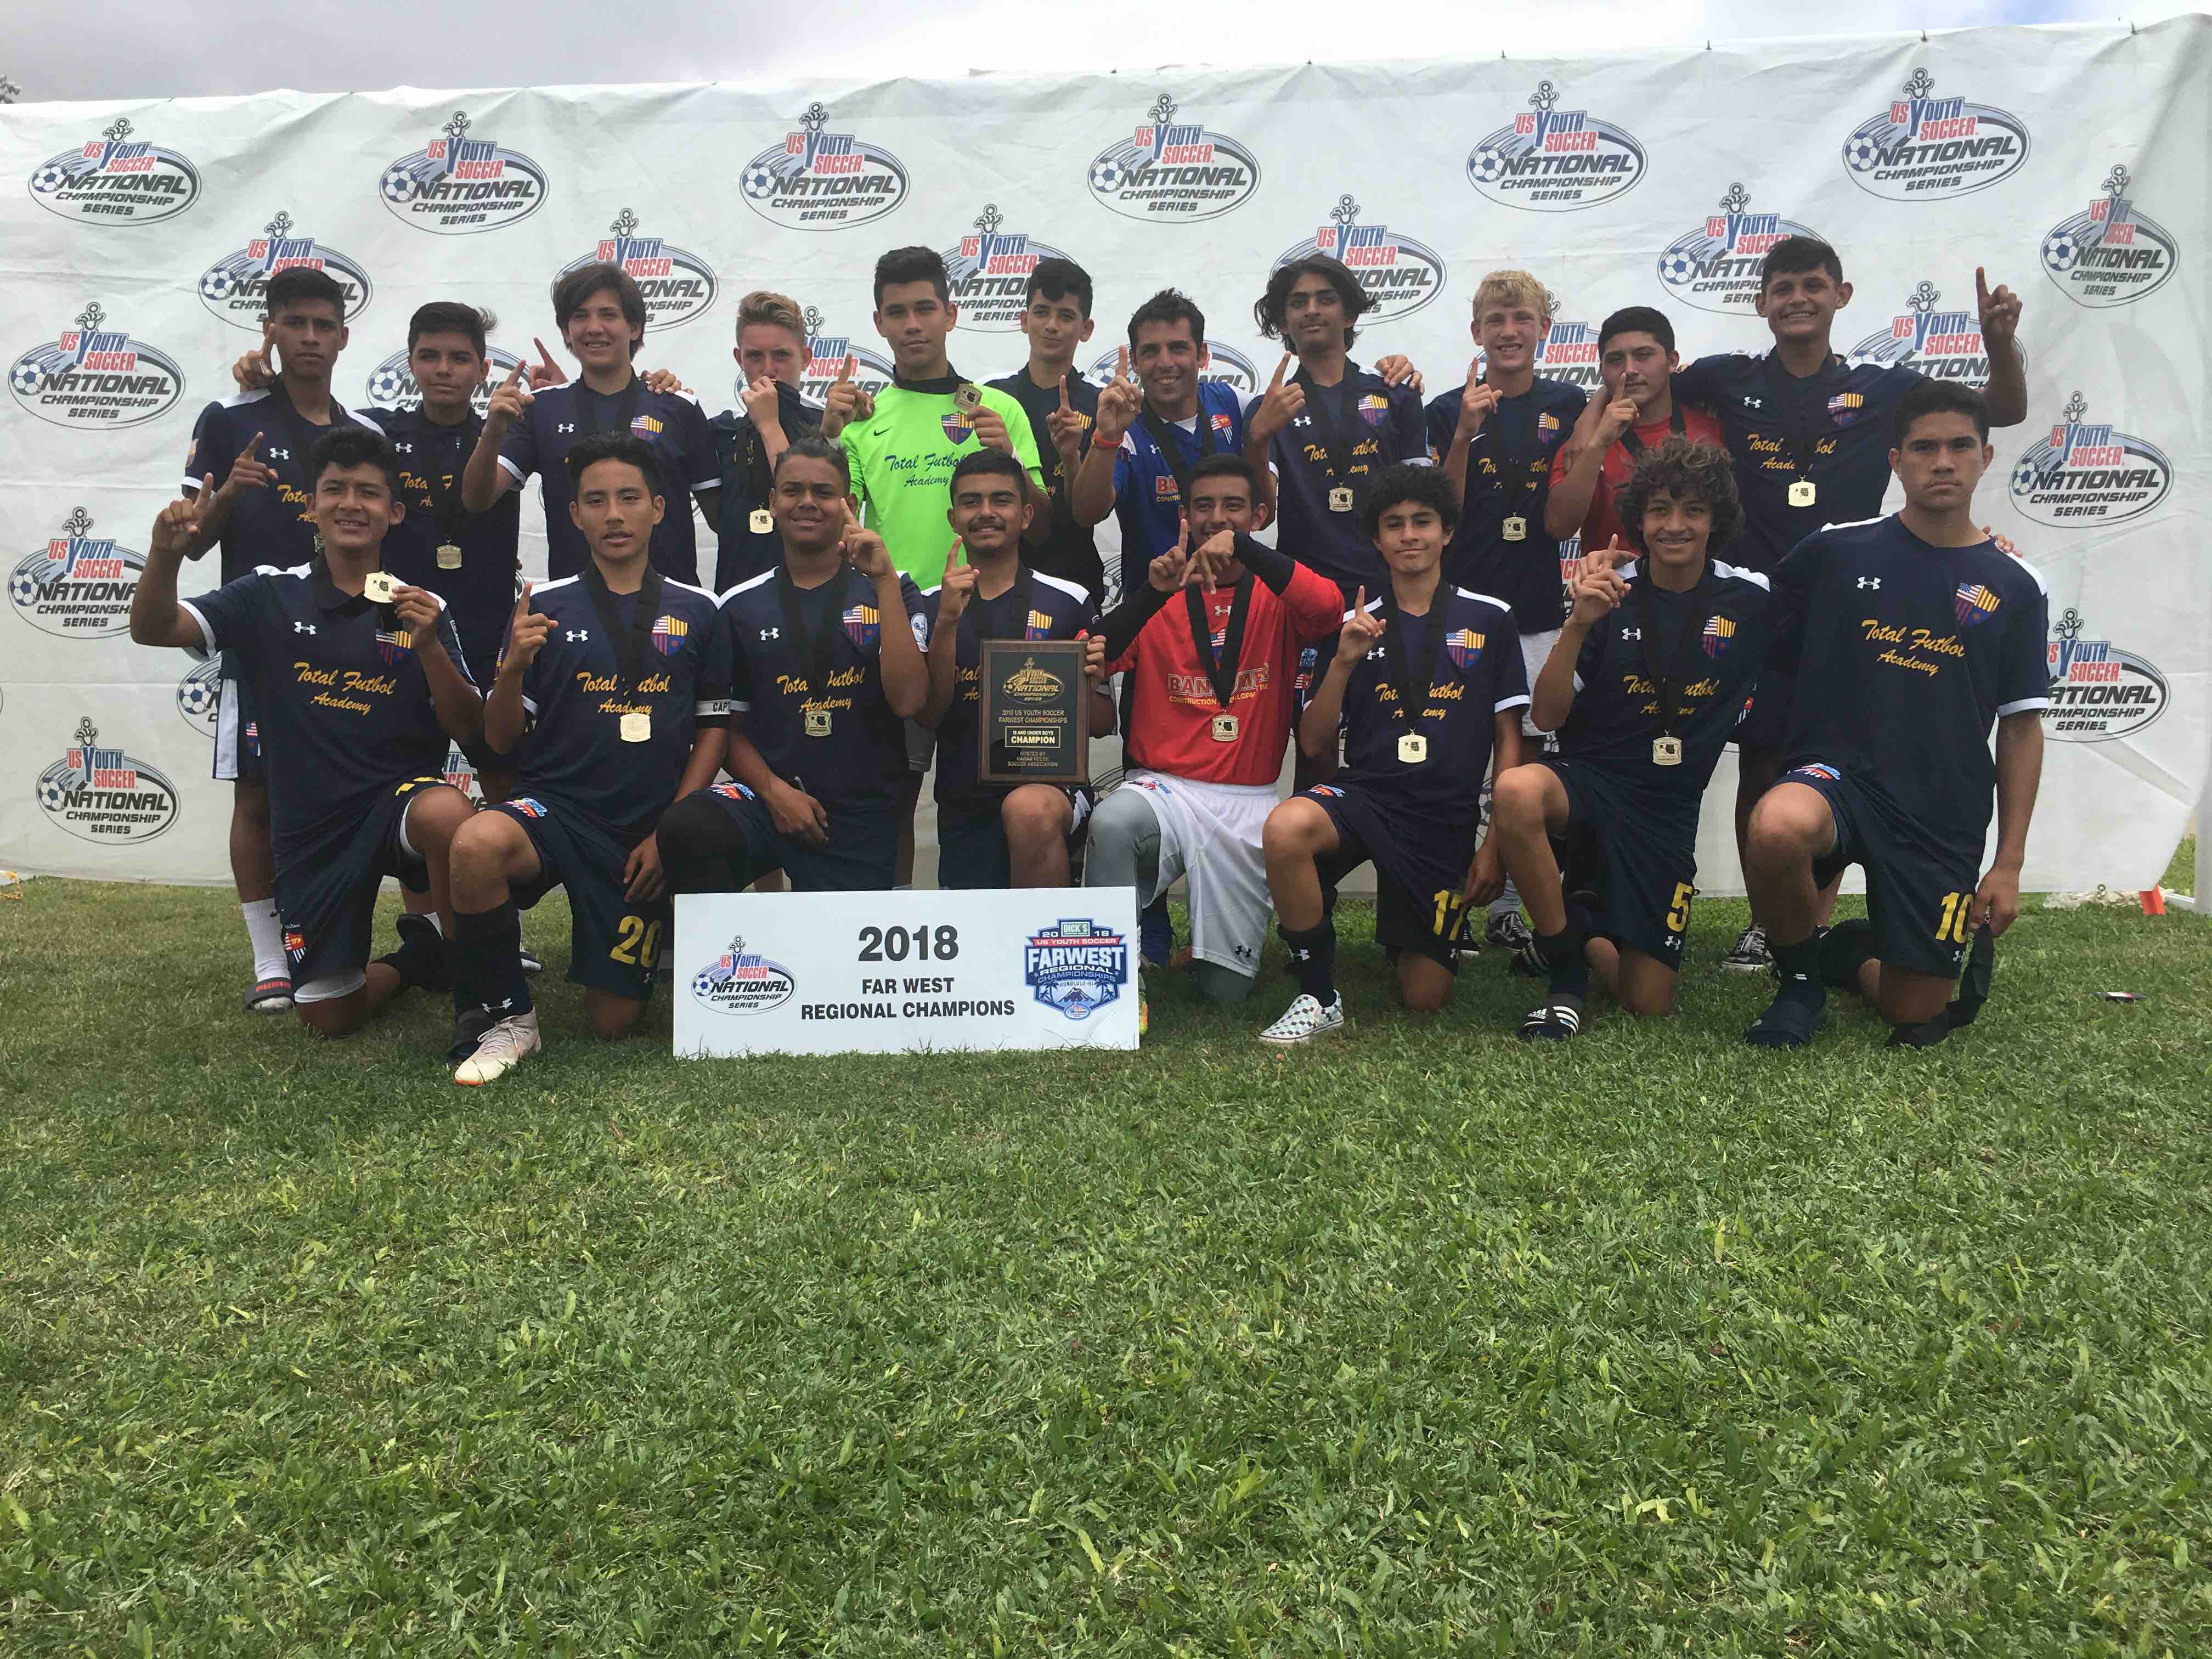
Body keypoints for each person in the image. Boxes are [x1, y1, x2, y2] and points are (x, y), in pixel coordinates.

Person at [1669, 236, 2027, 972]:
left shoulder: (1885, 387)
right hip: (1765, 606)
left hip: (1863, 608)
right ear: (1761, 304)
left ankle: (1826, 920)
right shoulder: (1725, 379)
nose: (1797, 299)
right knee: (1764, 760)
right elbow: (1642, 389)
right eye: (1782, 288)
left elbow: (2002, 409)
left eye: (1812, 285)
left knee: (1848, 758)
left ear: (1842, 295)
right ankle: (1769, 924)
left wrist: (1999, 345)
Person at [131, 427, 480, 1036]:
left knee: (447, 813)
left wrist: (428, 648)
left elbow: (470, 729)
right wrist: (165, 555)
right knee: (328, 1015)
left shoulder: (422, 606)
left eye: (369, 492)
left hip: (397, 812)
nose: (351, 504)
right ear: (312, 505)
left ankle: (480, 994)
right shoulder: (267, 592)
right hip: (314, 834)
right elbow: (154, 629)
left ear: (394, 513)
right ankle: (418, 958)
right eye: (335, 490)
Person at [1742, 381, 2045, 1051]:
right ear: (1896, 461)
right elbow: (1743, 605)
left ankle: (1845, 955)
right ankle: (1799, 986)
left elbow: (2022, 726)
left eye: (1960, 446)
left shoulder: (2016, 584)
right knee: (1777, 826)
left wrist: (2009, 864)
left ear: (1986, 458)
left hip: (1939, 809)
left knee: (1915, 1014)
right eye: (1924, 448)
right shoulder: (1836, 549)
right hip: (1838, 778)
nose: (1943, 462)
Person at [444, 434, 732, 1085]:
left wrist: (669, 831)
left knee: (613, 1023)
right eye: (596, 501)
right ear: (574, 515)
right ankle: (510, 1019)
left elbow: (714, 729)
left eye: (629, 498)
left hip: (641, 833)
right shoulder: (542, 606)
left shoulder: (700, 610)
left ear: (659, 508)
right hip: (557, 812)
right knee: (475, 844)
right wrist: (512, 669)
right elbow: (500, 738)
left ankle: (644, 944)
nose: (614, 515)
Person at [1495, 437, 1770, 1039]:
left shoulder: (1752, 598)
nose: (1675, 525)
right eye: (1660, 510)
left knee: (1647, 1001)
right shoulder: (1609, 590)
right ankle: (1565, 972)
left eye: (1693, 510)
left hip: (1665, 812)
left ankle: (1578, 928)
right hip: (1589, 784)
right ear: (1639, 520)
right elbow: (1548, 715)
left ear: (1716, 520)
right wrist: (1576, 624)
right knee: (1516, 791)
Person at [1257, 464, 1526, 1042]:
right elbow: (1314, 741)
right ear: (1377, 540)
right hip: (1368, 796)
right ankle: (1318, 993)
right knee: (1285, 828)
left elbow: (1510, 738)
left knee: (1424, 997)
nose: (1409, 535)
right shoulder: (1356, 623)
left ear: (1446, 532)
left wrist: (1495, 846)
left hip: (1441, 818)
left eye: (1422, 522)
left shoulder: (1490, 617)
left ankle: (1404, 931)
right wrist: (1344, 661)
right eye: (1394, 524)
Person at [179, 265, 383, 1014]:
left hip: (353, 650)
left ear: (344, 337)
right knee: (258, 797)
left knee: (367, 790)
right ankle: (271, 960)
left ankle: (396, 933)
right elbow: (191, 542)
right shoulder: (229, 419)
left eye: (322, 325)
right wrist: (229, 494)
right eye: (294, 323)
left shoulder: (364, 435)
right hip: (264, 645)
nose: (309, 338)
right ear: (270, 330)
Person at [1087, 453, 1344, 1025]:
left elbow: (1330, 609)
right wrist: (1152, 594)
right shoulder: (1161, 593)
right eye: (1203, 506)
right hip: (1165, 790)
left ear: (1258, 516)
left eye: (1233, 506)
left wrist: (1244, 548)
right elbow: (1095, 655)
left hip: (1246, 801)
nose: (1217, 517)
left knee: (1224, 993)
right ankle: (1112, 983)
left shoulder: (1278, 593)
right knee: (1113, 822)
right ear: (1185, 515)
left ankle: (1212, 958)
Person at [839, 244, 1048, 884]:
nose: (913, 325)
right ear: (878, 323)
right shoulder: (863, 421)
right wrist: (825, 431)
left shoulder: (996, 408)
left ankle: (1011, 921)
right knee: (893, 797)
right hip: (897, 628)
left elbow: (1043, 516)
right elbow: (838, 521)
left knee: (997, 791)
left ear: (951, 315)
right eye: (897, 312)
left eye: (925, 309)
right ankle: (894, 917)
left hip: (987, 626)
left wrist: (1013, 460)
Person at [656, 437, 930, 897]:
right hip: (768, 801)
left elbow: (909, 702)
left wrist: (882, 579)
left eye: (824, 492)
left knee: (839, 940)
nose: (807, 502)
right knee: (691, 826)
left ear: (850, 505)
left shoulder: (894, 587)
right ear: (772, 502)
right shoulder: (738, 606)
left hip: (859, 810)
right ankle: (726, 942)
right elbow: (728, 729)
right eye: (792, 490)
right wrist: (774, 791)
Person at [1424, 270, 1587, 956]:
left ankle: (1515, 909)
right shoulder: (1446, 408)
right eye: (1496, 319)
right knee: (1458, 756)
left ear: (1544, 329)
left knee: (1530, 766)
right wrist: (1464, 434)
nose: (1510, 331)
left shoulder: (1569, 402)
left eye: (1522, 318)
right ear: (1477, 333)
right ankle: (1452, 900)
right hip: (1461, 614)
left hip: (1540, 613)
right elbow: (1443, 515)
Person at [919, 451, 1109, 889]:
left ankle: (1049, 929)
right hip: (964, 799)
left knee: (1030, 810)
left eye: (1001, 500)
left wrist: (1088, 687)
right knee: (976, 927)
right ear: (953, 518)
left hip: (1052, 792)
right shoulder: (929, 605)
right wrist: (946, 625)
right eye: (971, 501)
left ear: (1026, 516)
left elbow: (1103, 724)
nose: (986, 512)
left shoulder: (1070, 600)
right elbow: (928, 715)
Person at [462, 262, 721, 585]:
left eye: (608, 315)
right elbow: (477, 499)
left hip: (670, 606)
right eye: (580, 316)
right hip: (573, 607)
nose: (594, 328)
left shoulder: (679, 407)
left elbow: (722, 520)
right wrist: (492, 432)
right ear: (565, 331)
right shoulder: (540, 409)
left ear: (635, 327)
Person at [1243, 254, 1431, 601]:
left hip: (1389, 587)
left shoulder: (1395, 392)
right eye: (1298, 303)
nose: (1312, 310)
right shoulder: (1269, 409)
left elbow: (1424, 501)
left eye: (1326, 299)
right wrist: (1257, 439)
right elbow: (1262, 516)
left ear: (1350, 315)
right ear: (1283, 322)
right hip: (1304, 590)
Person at [1543, 306, 1725, 556]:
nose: (1629, 369)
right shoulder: (1585, 439)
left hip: (1702, 581)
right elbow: (1559, 527)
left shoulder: (1713, 427)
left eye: (1644, 355)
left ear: (1672, 361)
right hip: (1614, 581)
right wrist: (1598, 445)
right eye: (1615, 360)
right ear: (1601, 369)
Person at [986, 257, 1105, 603]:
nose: (1052, 326)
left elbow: (1089, 511)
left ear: (1086, 329)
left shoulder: (1103, 404)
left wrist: (1072, 456)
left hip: (1076, 584)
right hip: (994, 580)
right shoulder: (992, 395)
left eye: (1066, 316)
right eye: (1041, 312)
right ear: (1024, 320)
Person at [709, 290, 826, 592]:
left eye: (782, 355)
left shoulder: (829, 426)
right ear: (739, 358)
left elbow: (802, 494)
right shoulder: (721, 430)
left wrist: (769, 424)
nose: (768, 369)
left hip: (815, 596)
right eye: (755, 356)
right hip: (737, 597)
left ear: (806, 358)